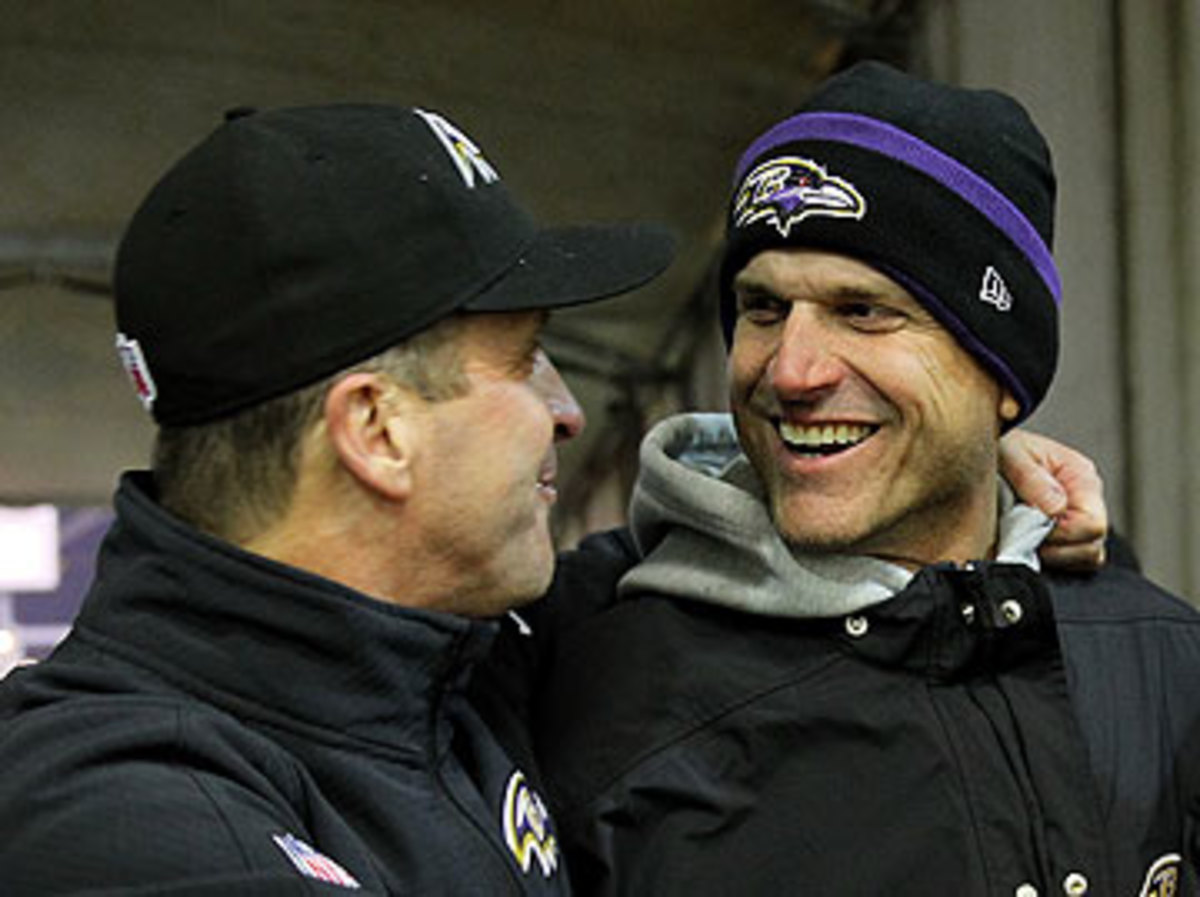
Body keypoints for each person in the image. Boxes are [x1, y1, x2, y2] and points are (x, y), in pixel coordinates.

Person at [518, 62, 1200, 895]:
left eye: (864, 311)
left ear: (1001, 369)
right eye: (763, 308)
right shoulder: (588, 688)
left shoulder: (1158, 658)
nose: (792, 370)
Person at [0, 103, 675, 895]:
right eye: (525, 358)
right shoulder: (115, 816)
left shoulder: (463, 662)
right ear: (377, 428)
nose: (567, 412)